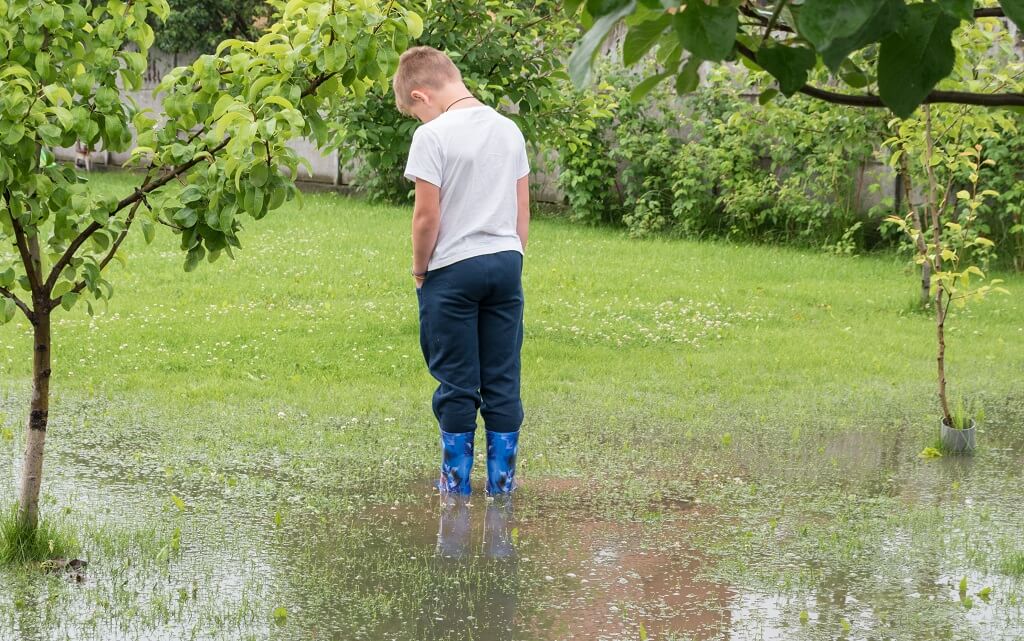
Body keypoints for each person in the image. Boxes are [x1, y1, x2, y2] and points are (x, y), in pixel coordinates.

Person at [394, 46, 530, 496]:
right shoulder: (509, 130)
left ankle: (455, 492)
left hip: (453, 270)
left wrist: (420, 271)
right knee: (502, 378)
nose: (420, 121)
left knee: (457, 382)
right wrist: (513, 260)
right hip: (506, 262)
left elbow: (426, 218)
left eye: (416, 112)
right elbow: (522, 211)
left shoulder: (432, 136)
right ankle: (501, 488)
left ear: (420, 95)